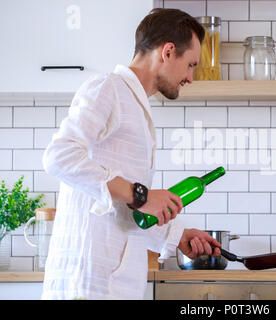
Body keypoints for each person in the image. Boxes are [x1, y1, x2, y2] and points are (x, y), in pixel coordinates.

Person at [41, 8, 221, 300]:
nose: (190, 77)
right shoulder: (107, 89)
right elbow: (59, 156)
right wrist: (142, 194)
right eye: (190, 65)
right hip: (87, 282)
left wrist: (178, 236)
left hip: (115, 282)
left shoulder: (135, 105)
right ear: (168, 51)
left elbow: (124, 210)